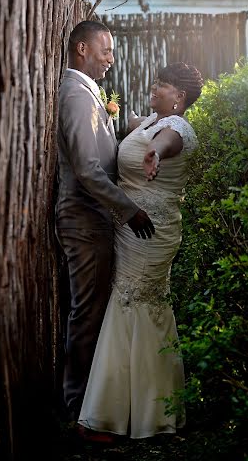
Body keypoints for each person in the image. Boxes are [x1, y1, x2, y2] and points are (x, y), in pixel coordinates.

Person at [78, 60, 204, 440]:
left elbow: (164, 145)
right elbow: (136, 126)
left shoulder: (176, 129)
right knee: (139, 306)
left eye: (162, 85)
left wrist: (155, 154)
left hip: (150, 232)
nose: (154, 87)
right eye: (155, 81)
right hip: (130, 227)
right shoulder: (151, 120)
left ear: (179, 97)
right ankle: (144, 409)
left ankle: (117, 415)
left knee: (136, 304)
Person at [56, 20, 155, 424]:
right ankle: (77, 406)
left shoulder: (87, 92)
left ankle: (88, 401)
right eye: (106, 50)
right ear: (82, 49)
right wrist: (128, 208)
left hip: (94, 218)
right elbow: (87, 168)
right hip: (83, 219)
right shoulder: (75, 94)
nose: (111, 59)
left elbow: (106, 150)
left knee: (92, 309)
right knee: (87, 312)